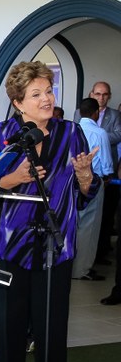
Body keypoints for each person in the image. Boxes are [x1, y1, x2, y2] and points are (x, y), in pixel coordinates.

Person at [0, 61, 99, 362]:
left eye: (49, 91)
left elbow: (86, 193)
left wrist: (85, 177)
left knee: (52, 330)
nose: (47, 98)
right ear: (18, 102)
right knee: (9, 326)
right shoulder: (0, 135)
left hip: (55, 246)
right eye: (36, 94)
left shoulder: (72, 133)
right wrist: (13, 178)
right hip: (10, 246)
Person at [72, 98, 113, 282]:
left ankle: (69, 267)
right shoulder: (99, 132)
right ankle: (81, 270)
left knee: (73, 226)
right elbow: (106, 164)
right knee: (89, 228)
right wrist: (108, 176)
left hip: (71, 183)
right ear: (96, 113)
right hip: (92, 182)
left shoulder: (72, 130)